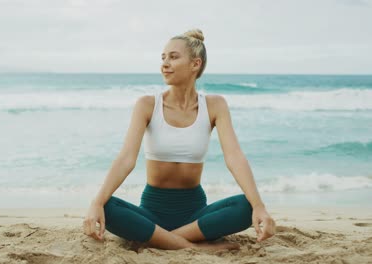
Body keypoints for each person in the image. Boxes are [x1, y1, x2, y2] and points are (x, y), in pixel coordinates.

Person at [83, 29, 276, 251]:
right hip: (151, 213)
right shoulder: (147, 105)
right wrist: (97, 202)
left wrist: (259, 206)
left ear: (195, 64)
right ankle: (192, 247)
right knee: (105, 206)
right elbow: (126, 158)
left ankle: (160, 240)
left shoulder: (215, 105)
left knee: (246, 206)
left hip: (196, 217)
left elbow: (234, 157)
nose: (165, 63)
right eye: (163, 58)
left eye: (173, 57)